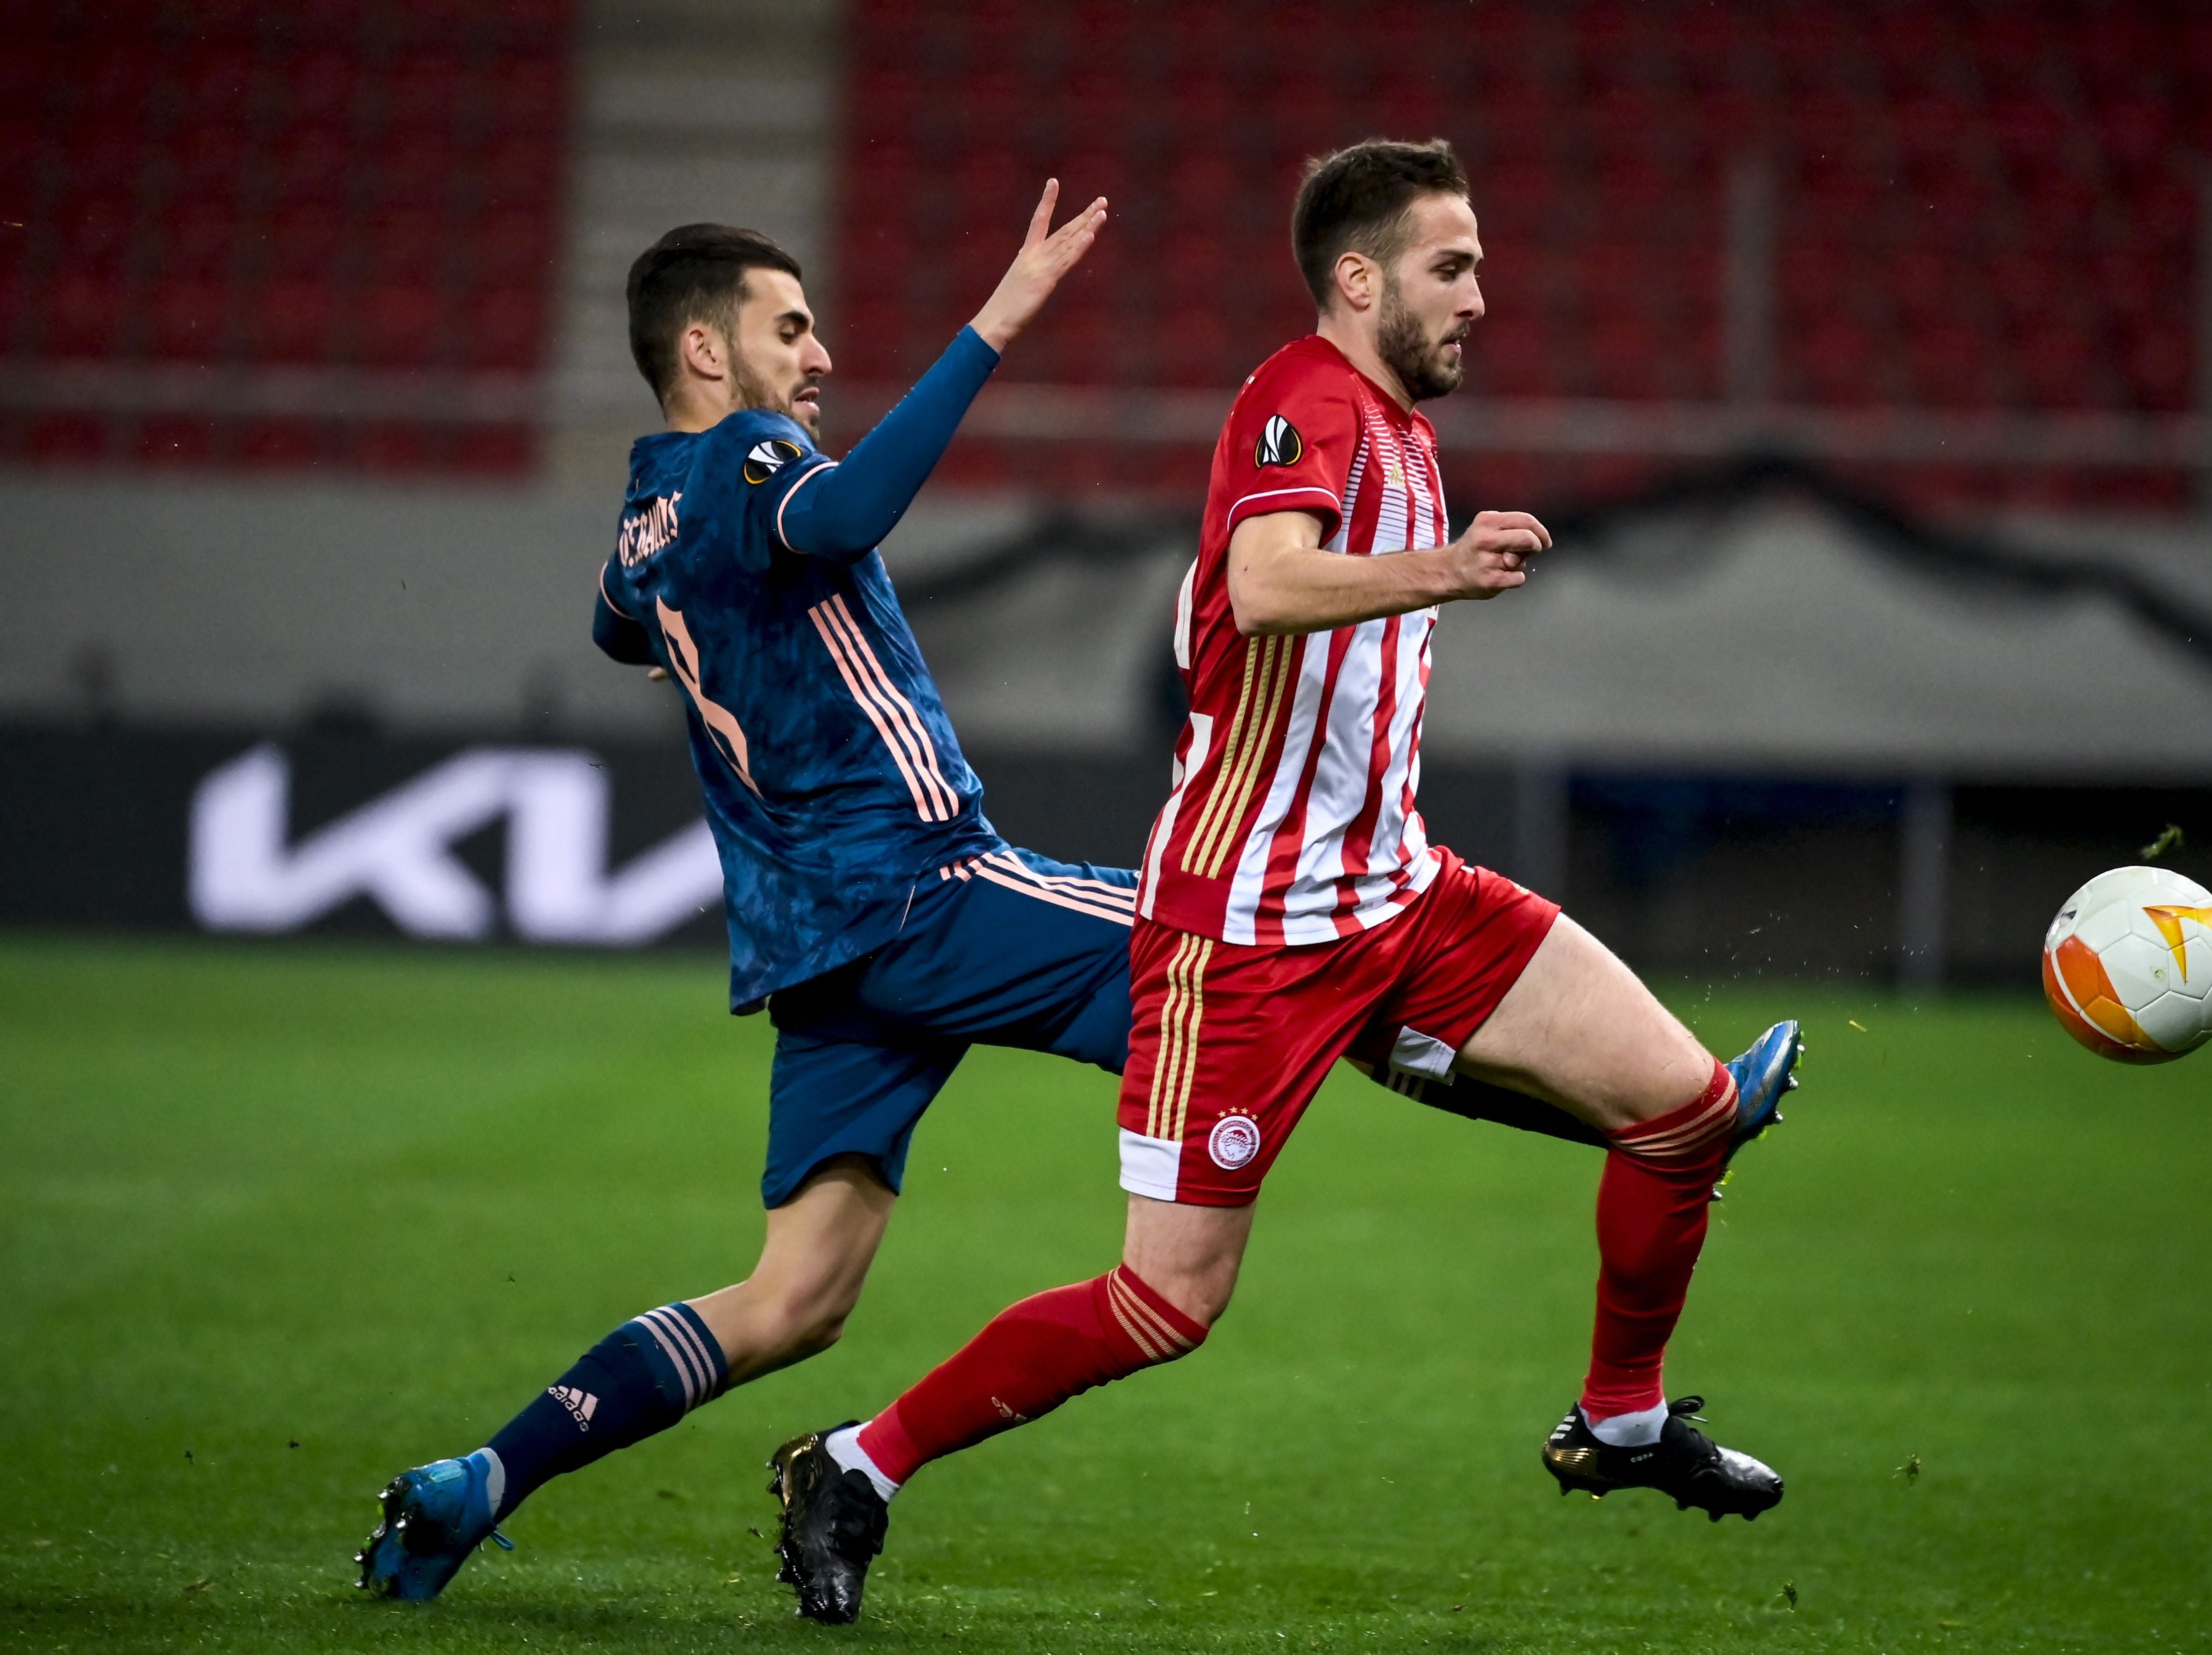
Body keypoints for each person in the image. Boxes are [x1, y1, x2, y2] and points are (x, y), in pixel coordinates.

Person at [354, 187, 1618, 1603]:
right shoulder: (755, 457)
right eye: (791, 329)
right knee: (1250, 939)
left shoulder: (642, 524)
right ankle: (1618, 1114)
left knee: (794, 1302)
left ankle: (483, 1479)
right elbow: (846, 512)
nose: (819, 356)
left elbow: (615, 629)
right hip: (919, 888)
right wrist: (997, 319)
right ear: (704, 353)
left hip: (813, 949)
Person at [765, 139, 1804, 1627]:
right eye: (1452, 268)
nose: (1480, 298)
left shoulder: (1403, 430)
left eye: (1482, 269)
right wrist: (1442, 568)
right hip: (1244, 934)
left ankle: (1620, 1424)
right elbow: (1261, 586)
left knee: (1687, 1110)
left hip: (1402, 895)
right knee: (1164, 1304)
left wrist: (1434, 561)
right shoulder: (1299, 399)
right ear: (1359, 279)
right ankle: (859, 1465)